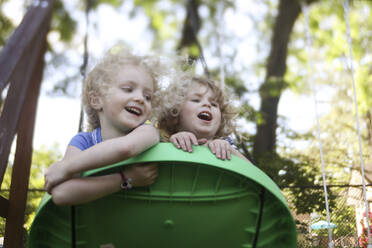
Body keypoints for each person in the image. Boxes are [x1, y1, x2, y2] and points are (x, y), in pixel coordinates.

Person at [44, 47, 171, 205]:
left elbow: (126, 148)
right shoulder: (83, 141)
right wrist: (126, 179)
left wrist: (66, 166)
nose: (140, 98)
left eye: (148, 97)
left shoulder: (148, 132)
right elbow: (62, 194)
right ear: (96, 100)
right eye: (128, 89)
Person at [157, 75, 250, 162]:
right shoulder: (165, 141)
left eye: (214, 104)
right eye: (196, 100)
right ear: (175, 111)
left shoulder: (226, 144)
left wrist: (230, 150)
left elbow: (255, 175)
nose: (207, 104)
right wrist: (174, 143)